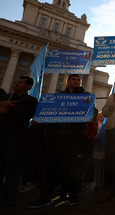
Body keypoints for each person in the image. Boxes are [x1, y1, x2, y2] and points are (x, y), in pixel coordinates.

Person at [29, 74, 97, 208]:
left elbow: (92, 110)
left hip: (75, 136)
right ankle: (44, 197)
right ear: (68, 81)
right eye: (74, 79)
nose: (76, 82)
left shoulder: (86, 96)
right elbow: (48, 111)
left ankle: (72, 196)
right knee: (50, 168)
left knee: (73, 169)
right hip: (56, 136)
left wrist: (92, 115)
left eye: (79, 80)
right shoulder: (58, 96)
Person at [0, 76, 38, 207]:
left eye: (21, 82)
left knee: (12, 169)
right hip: (1, 134)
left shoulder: (31, 100)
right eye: (17, 81)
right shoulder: (5, 97)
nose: (16, 83)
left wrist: (7, 110)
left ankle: (10, 198)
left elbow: (29, 113)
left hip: (16, 138)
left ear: (28, 86)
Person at [93, 112, 105, 189]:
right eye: (99, 115)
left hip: (104, 146)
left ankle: (104, 180)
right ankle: (98, 180)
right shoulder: (95, 124)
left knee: (104, 165)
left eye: (102, 115)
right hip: (97, 146)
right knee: (98, 165)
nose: (100, 117)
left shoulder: (105, 124)